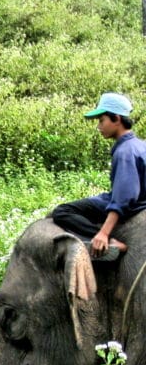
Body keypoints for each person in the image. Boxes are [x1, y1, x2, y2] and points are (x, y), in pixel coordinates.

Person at [51, 92, 146, 261]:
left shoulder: (125, 151)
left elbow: (124, 197)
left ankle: (111, 242)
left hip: (132, 206)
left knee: (62, 211)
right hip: (142, 201)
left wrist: (103, 233)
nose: (99, 126)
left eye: (102, 120)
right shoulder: (140, 145)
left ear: (116, 119)